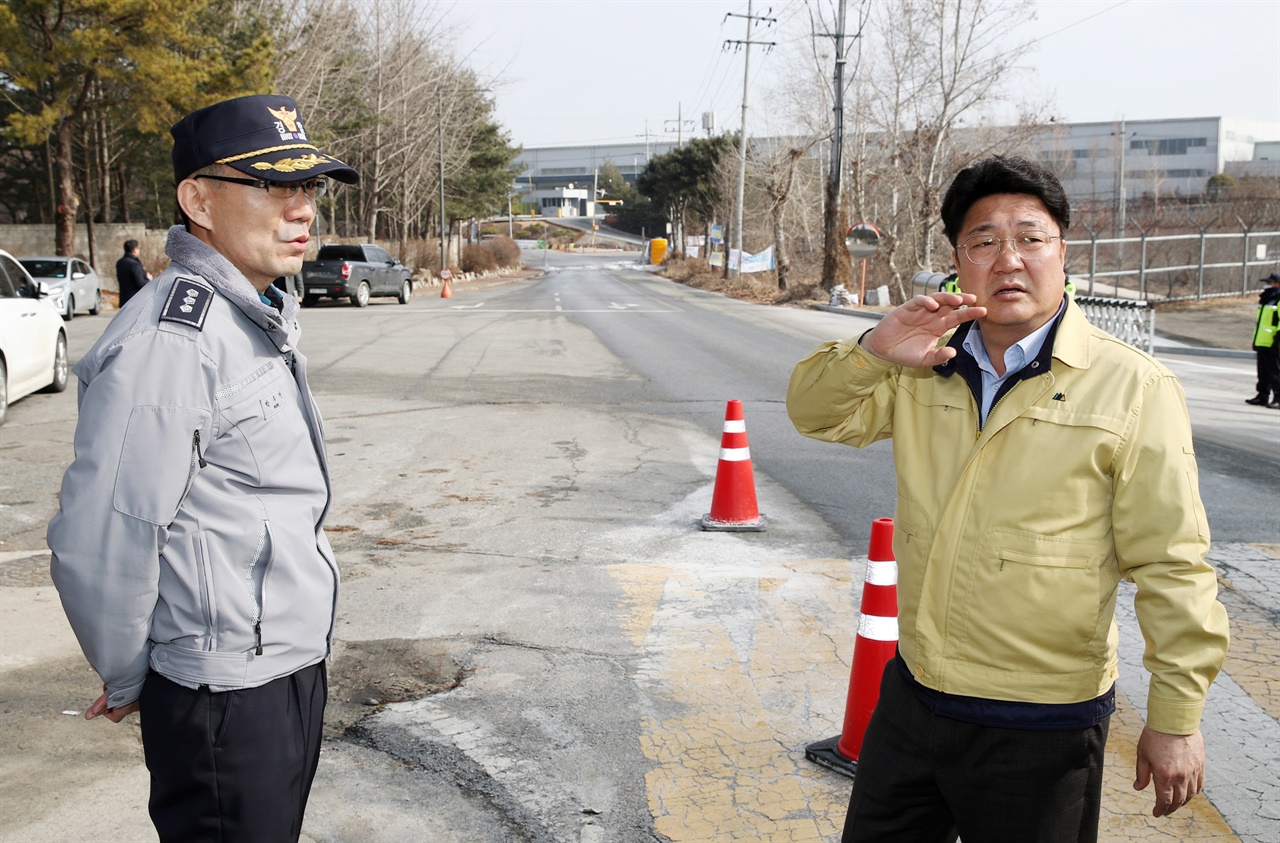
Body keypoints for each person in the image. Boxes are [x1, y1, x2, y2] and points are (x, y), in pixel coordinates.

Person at [787, 155, 1229, 842]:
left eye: (1030, 237)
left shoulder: (1132, 387)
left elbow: (1173, 562)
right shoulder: (924, 362)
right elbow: (812, 413)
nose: (1008, 258)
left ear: (1063, 252)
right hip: (914, 698)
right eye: (984, 241)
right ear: (959, 260)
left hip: (1042, 724)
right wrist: (874, 349)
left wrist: (1175, 717)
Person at [48, 94, 358, 843]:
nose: (302, 209)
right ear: (199, 199)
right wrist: (128, 673)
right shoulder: (175, 338)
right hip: (225, 696)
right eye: (275, 186)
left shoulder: (251, 315)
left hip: (285, 668)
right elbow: (105, 536)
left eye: (309, 187)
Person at [1245, 272, 1280, 408]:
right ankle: (1262, 396)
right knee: (1263, 372)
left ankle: (1278, 398)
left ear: (1277, 284)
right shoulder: (1267, 299)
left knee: (1275, 373)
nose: (1267, 285)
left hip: (1274, 342)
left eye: (1270, 283)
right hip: (1263, 341)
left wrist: (1278, 338)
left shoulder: (1278, 299)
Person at [115, 239, 150, 307]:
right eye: (138, 248)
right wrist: (148, 279)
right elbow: (141, 283)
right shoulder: (135, 264)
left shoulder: (120, 262)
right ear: (134, 250)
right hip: (135, 300)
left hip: (124, 299)